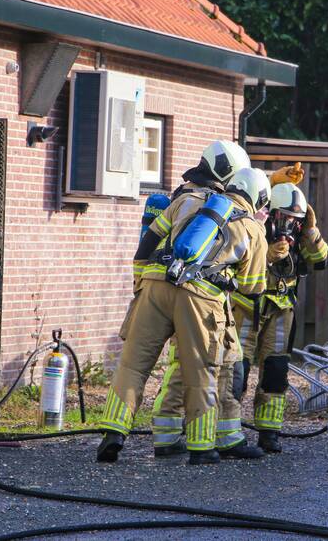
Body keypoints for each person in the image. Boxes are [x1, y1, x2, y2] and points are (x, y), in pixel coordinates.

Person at [97, 166, 271, 465]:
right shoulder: (252, 228)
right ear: (259, 198)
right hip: (199, 298)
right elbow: (252, 287)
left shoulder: (188, 199)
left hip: (155, 286)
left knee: (133, 364)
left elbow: (150, 240)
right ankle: (202, 447)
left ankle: (113, 432)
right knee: (200, 371)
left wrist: (140, 286)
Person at [231, 181, 328, 453]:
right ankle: (227, 430)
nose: (288, 225)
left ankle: (269, 432)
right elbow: (236, 265)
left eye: (294, 220)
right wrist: (266, 256)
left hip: (281, 313)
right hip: (248, 310)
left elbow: (321, 261)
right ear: (271, 214)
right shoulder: (253, 228)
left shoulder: (299, 237)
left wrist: (310, 231)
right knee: (236, 371)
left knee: (275, 372)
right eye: (284, 217)